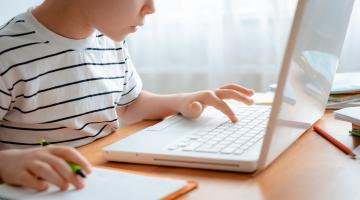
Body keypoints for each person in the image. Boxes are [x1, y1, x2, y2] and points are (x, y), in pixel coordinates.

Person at [0, 0, 254, 192]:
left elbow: (130, 105)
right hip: (43, 190)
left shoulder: (107, 38)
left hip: (99, 180)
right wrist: (6, 164)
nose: (151, 8)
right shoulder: (7, 54)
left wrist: (181, 101)